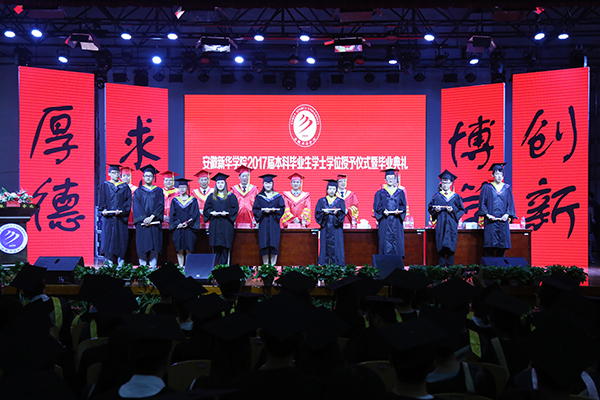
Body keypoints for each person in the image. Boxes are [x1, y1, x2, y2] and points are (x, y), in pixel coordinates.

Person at [428, 170, 465, 266]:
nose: (445, 185)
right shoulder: (436, 196)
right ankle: (441, 271)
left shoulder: (456, 197)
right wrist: (435, 210)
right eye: (443, 182)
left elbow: (461, 210)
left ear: (451, 183)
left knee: (450, 249)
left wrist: (453, 210)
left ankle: (450, 270)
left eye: (447, 182)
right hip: (441, 226)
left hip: (451, 226)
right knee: (440, 248)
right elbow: (430, 209)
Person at [478, 162, 516, 257]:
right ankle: (488, 265)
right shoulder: (487, 187)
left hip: (503, 221)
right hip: (490, 221)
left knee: (501, 247)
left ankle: (501, 265)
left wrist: (507, 215)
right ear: (493, 175)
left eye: (501, 174)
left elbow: (510, 203)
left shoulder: (507, 188)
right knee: (489, 247)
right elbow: (482, 203)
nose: (499, 176)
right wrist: (487, 215)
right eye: (497, 174)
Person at [98, 164, 132, 268]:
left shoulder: (125, 187)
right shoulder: (105, 185)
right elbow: (102, 200)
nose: (115, 175)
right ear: (109, 174)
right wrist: (103, 210)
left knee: (120, 240)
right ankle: (109, 264)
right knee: (108, 240)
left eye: (117, 173)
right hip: (108, 219)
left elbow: (128, 202)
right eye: (113, 173)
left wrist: (122, 210)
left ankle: (120, 264)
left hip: (120, 219)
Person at [204, 173, 239, 265]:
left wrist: (227, 213)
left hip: (226, 225)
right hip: (215, 225)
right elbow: (206, 210)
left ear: (225, 184)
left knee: (225, 247)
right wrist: (211, 212)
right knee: (216, 247)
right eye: (218, 183)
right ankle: (216, 268)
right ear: (216, 184)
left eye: (222, 183)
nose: (220, 185)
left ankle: (225, 267)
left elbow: (235, 209)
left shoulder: (231, 196)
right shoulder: (211, 197)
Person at [133, 164, 164, 268]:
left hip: (154, 223)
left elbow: (160, 205)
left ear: (153, 177)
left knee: (154, 246)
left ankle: (153, 267)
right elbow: (136, 206)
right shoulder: (138, 191)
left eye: (150, 176)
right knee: (142, 246)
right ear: (143, 177)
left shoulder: (158, 191)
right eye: (146, 176)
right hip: (142, 224)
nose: (148, 178)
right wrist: (144, 219)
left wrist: (152, 217)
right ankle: (143, 268)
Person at [253, 174, 285, 265]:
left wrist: (275, 210)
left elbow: (282, 208)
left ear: (272, 184)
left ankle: (273, 266)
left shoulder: (278, 196)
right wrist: (263, 211)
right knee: (264, 245)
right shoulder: (259, 197)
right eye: (266, 183)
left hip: (274, 223)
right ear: (263, 184)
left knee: (273, 244)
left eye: (269, 183)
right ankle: (266, 266)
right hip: (263, 223)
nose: (268, 185)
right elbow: (255, 209)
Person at [374, 169, 407, 257]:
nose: (390, 179)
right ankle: (385, 262)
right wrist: (383, 211)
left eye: (392, 177)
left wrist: (399, 211)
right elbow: (376, 208)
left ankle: (397, 262)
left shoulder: (400, 193)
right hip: (385, 221)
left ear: (395, 179)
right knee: (385, 243)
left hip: (396, 222)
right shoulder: (380, 193)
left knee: (397, 243)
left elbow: (403, 207)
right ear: (385, 179)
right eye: (388, 177)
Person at [170, 178, 201, 268]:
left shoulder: (193, 200)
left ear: (187, 188)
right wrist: (178, 224)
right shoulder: (175, 200)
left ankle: (188, 268)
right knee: (179, 249)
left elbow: (195, 214)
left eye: (184, 187)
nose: (182, 189)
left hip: (189, 229)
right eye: (180, 187)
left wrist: (187, 223)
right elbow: (172, 214)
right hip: (178, 228)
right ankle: (180, 267)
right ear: (178, 188)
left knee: (189, 248)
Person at [315, 179, 346, 266]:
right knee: (325, 246)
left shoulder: (340, 201)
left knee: (337, 246)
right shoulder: (321, 201)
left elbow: (342, 215)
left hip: (336, 228)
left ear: (336, 190)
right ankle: (324, 265)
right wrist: (324, 214)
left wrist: (337, 214)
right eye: (330, 189)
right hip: (325, 227)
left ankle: (337, 266)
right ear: (327, 189)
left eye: (333, 189)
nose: (331, 191)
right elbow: (317, 214)